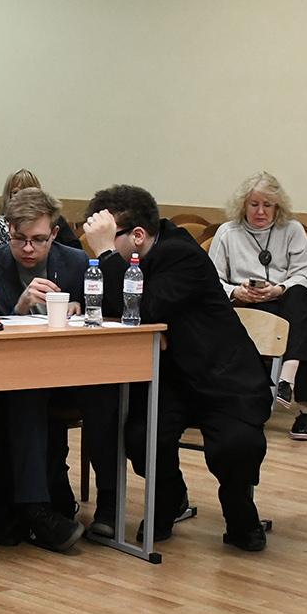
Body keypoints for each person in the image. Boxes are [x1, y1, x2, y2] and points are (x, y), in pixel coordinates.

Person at [79, 185, 271, 552]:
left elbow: (145, 308)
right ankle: (170, 497)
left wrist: (106, 253)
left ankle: (240, 514)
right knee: (141, 437)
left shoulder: (181, 254)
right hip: (171, 380)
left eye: (107, 237)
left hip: (222, 378)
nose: (99, 249)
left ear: (137, 236)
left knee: (235, 446)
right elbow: (116, 303)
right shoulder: (134, 257)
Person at [0, 186, 90, 549]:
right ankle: (36, 508)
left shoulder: (76, 262)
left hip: (68, 371)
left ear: (54, 233)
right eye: (19, 239)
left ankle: (100, 507)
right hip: (8, 375)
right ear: (8, 229)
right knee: (26, 393)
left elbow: (99, 313)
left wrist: (79, 311)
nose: (28, 248)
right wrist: (18, 309)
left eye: (38, 240)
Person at [208, 171, 307, 440]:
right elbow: (211, 281)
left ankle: (289, 377)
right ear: (243, 205)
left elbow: (303, 275)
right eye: (254, 204)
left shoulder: (292, 230)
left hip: (285, 303)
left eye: (267, 205)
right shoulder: (227, 233)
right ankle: (298, 402)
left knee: (303, 299)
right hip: (243, 306)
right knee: (306, 321)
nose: (261, 211)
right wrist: (237, 291)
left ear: (277, 207)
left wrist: (278, 289)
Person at [0, 168, 82, 253]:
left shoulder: (54, 220)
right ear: (8, 196)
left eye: (26, 191)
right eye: (16, 192)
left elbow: (74, 252)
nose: (22, 196)